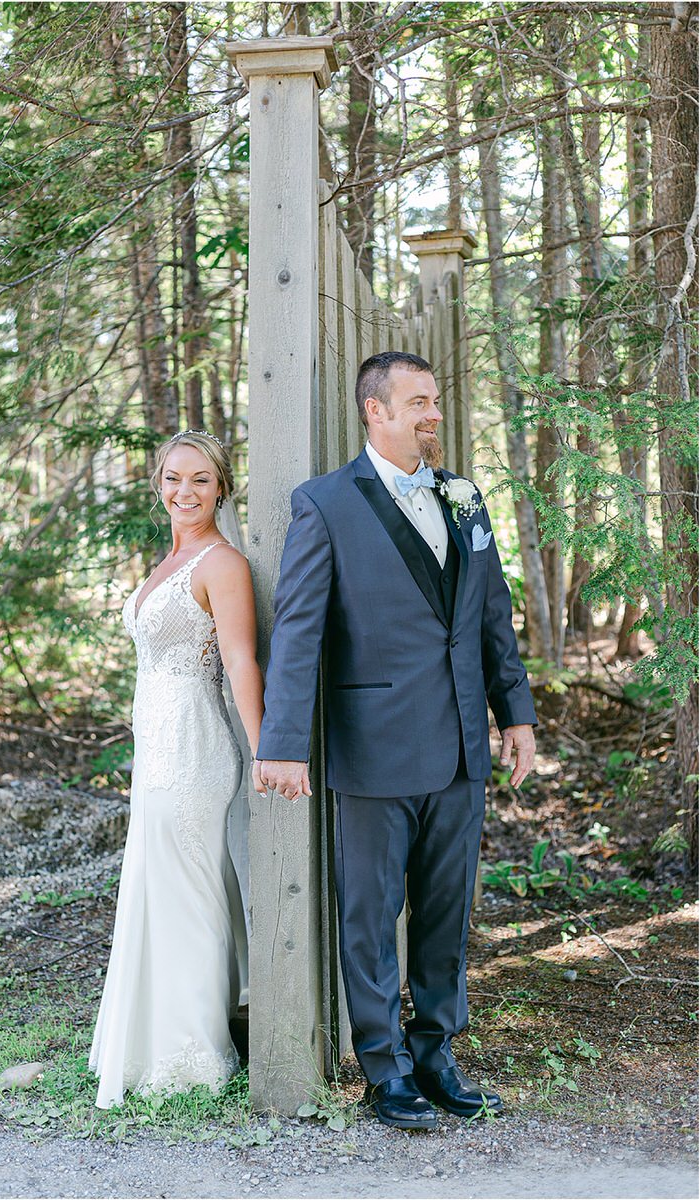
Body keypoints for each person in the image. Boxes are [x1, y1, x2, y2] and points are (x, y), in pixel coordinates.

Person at [253, 352, 537, 1131]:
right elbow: (299, 631)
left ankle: (436, 1054)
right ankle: (384, 1071)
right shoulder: (323, 504)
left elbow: (491, 614)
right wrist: (283, 742)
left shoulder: (464, 498)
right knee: (372, 918)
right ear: (374, 411)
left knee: (445, 914)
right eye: (417, 403)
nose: (433, 414)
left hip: (459, 748)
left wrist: (514, 715)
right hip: (373, 747)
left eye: (434, 401)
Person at [90, 430, 263, 1109]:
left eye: (199, 480)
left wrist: (265, 750)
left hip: (194, 749)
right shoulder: (169, 561)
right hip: (155, 749)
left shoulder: (223, 564)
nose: (183, 492)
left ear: (221, 487)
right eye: (172, 478)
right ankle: (151, 1038)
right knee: (160, 886)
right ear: (157, 484)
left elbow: (241, 661)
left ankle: (193, 1050)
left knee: (188, 891)